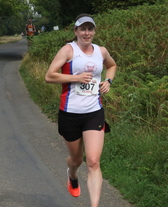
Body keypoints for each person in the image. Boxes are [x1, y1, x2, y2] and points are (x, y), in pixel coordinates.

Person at [45, 13, 117, 207]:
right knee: (76, 159)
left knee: (93, 161)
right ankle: (72, 174)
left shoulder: (101, 51)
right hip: (69, 113)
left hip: (94, 112)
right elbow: (49, 76)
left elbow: (112, 65)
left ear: (94, 31)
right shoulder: (68, 50)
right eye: (83, 29)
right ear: (76, 31)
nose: (87, 33)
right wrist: (75, 78)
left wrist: (108, 81)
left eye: (90, 29)